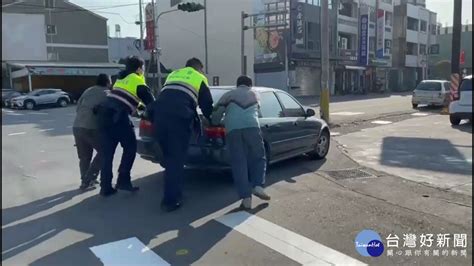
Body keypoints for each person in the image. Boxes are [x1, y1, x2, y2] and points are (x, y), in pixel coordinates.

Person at [149, 58, 213, 212]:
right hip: (178, 120)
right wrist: (210, 118)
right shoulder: (199, 77)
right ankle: (171, 201)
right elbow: (207, 104)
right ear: (199, 68)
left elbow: (166, 95)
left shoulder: (173, 74)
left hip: (158, 118)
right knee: (176, 160)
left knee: (169, 158)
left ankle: (170, 188)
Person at [96, 56, 154, 197]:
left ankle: (105, 187)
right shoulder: (138, 80)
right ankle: (123, 180)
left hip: (103, 116)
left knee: (107, 154)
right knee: (130, 147)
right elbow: (152, 104)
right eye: (143, 68)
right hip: (118, 117)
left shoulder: (120, 79)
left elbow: (129, 99)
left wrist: (139, 110)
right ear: (139, 69)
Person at [211, 76, 270, 209]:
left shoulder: (228, 95)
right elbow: (258, 111)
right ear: (250, 85)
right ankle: (258, 185)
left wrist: (215, 122)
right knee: (258, 157)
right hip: (253, 127)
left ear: (237, 85)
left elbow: (217, 112)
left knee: (239, 163)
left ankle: (246, 199)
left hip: (233, 129)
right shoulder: (255, 94)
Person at [73, 74, 110, 190]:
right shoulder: (107, 93)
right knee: (105, 152)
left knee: (84, 157)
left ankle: (85, 181)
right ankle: (89, 178)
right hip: (92, 127)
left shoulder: (88, 90)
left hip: (77, 126)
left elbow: (78, 107)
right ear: (108, 82)